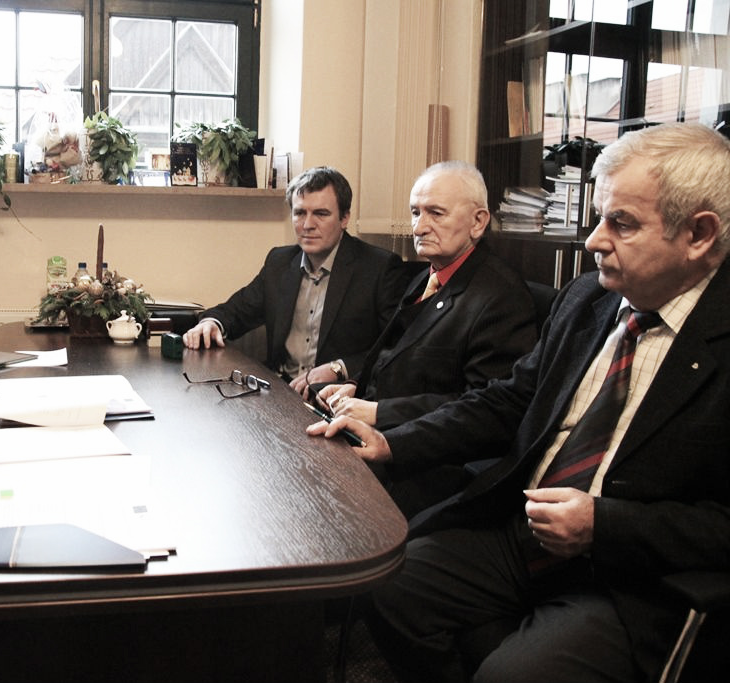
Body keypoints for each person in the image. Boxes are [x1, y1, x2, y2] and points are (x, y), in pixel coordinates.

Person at [309, 122, 730, 682]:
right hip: (521, 529)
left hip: (628, 574)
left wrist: (605, 525)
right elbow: (508, 401)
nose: (593, 241)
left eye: (622, 223)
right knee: (388, 584)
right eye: (598, 218)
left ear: (699, 234)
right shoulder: (588, 299)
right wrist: (394, 442)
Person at [314, 161, 538, 517]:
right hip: (383, 434)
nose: (418, 227)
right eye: (415, 212)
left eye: (436, 213)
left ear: (478, 222)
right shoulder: (428, 276)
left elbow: (486, 409)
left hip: (432, 465)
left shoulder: (501, 296)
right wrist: (355, 386)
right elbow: (397, 354)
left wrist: (379, 412)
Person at [182, 166, 408, 394]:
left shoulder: (379, 268)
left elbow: (398, 349)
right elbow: (238, 310)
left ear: (344, 218)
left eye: (321, 214)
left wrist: (340, 368)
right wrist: (211, 323)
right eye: (300, 213)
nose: (307, 225)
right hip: (279, 391)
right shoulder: (279, 262)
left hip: (335, 397)